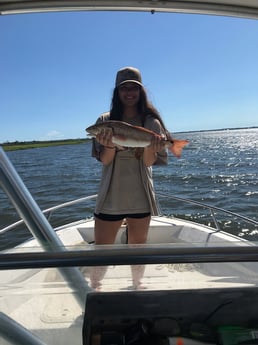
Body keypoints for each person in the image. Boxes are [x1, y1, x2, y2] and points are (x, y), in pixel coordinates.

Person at [90, 66, 170, 290]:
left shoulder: (151, 122)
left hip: (140, 193)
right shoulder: (105, 121)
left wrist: (151, 147)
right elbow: (106, 161)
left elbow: (147, 163)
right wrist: (109, 145)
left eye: (133, 88)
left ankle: (137, 284)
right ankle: (95, 286)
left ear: (141, 91)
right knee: (102, 248)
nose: (129, 92)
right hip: (110, 194)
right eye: (124, 88)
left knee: (138, 247)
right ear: (117, 92)